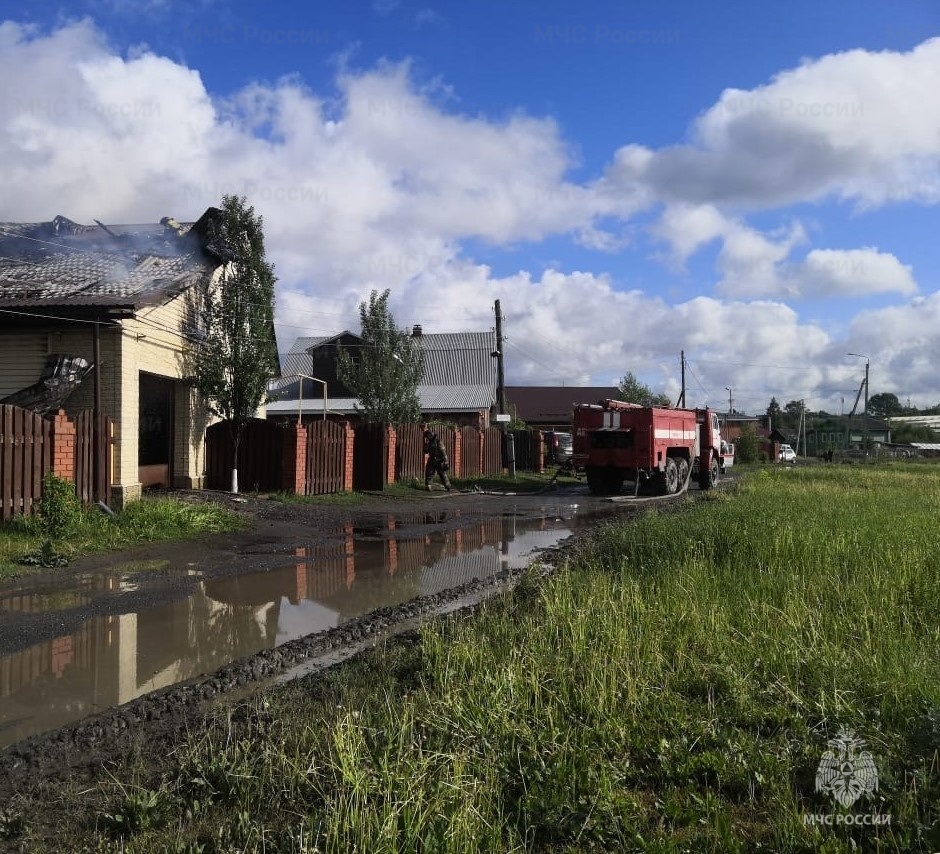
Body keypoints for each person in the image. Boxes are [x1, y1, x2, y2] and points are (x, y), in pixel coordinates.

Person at [422, 422, 451, 491]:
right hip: (431, 460)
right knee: (429, 473)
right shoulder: (429, 443)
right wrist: (425, 447)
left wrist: (446, 461)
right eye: (427, 436)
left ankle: (447, 486)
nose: (429, 436)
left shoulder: (438, 441)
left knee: (442, 474)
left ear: (432, 434)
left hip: (439, 460)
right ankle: (428, 486)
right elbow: (426, 452)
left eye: (429, 435)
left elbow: (443, 451)